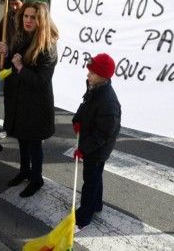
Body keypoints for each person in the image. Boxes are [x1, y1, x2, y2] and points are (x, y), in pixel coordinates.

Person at [0, 1, 58, 198]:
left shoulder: (47, 46)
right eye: (26, 16)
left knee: (33, 143)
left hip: (35, 104)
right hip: (18, 100)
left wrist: (21, 67)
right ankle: (24, 171)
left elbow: (41, 81)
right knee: (22, 139)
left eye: (33, 17)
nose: (28, 20)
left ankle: (36, 179)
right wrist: (4, 55)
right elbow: (8, 68)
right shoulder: (19, 37)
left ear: (41, 21)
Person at [72, 53, 121, 229]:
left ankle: (84, 214)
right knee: (95, 176)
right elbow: (85, 105)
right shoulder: (95, 87)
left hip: (98, 148)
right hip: (92, 141)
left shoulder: (108, 102)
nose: (88, 75)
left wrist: (83, 149)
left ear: (103, 76)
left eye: (92, 73)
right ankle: (96, 204)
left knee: (90, 179)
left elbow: (103, 134)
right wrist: (77, 119)